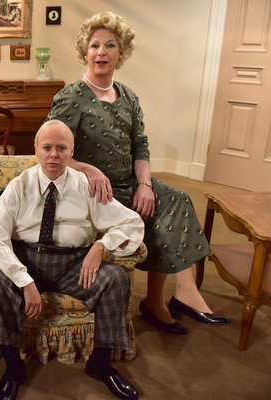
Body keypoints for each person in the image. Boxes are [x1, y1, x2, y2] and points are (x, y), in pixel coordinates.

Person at [47, 11, 230, 335]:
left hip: (129, 182)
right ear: (85, 52)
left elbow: (140, 145)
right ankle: (159, 303)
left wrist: (145, 184)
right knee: (155, 211)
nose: (101, 52)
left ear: (121, 52)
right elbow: (51, 149)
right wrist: (89, 169)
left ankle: (175, 295)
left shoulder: (128, 96)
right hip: (92, 189)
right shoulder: (72, 97)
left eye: (110, 45)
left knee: (174, 199)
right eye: (94, 45)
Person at [0, 120, 144, 400]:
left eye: (61, 148)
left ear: (72, 152)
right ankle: (13, 368)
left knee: (115, 279)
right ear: (36, 150)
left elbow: (132, 224)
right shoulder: (19, 186)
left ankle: (100, 364)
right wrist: (25, 281)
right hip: (28, 261)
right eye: (47, 147)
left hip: (74, 265)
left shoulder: (86, 186)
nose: (53, 155)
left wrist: (101, 244)